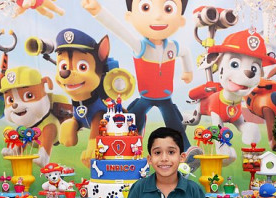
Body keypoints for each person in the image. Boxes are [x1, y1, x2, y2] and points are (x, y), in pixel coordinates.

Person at [82, 0, 193, 150]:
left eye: (168, 9)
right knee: (131, 121)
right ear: (130, 16)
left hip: (165, 97)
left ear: (181, 20)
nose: (158, 16)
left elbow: (185, 52)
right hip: (145, 96)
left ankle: (186, 150)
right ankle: (127, 147)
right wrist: (99, 12)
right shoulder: (141, 46)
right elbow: (120, 31)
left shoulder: (173, 47)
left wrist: (187, 71)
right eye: (146, 7)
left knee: (175, 125)